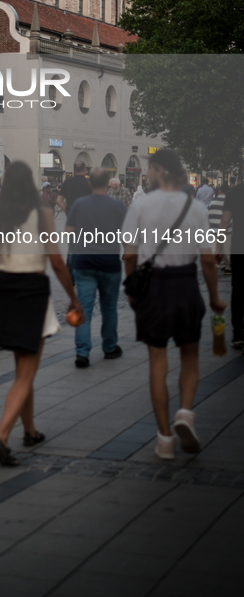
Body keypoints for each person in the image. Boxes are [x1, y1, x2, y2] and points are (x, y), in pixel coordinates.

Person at [0, 162, 84, 467]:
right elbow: (56, 262)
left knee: (22, 369)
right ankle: (2, 435)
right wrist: (73, 298)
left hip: (6, 290)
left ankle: (29, 431)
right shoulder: (42, 214)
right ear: (30, 183)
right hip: (33, 290)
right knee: (27, 373)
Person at [123, 149, 225, 460]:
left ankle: (165, 438)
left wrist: (132, 289)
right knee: (190, 356)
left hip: (153, 288)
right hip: (185, 286)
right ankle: (184, 412)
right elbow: (208, 260)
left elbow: (129, 254)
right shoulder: (195, 208)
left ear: (155, 170)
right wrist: (214, 296)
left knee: (157, 363)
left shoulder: (140, 205)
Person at [66, 168, 127, 368]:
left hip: (84, 263)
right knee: (109, 307)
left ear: (90, 183)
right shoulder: (118, 206)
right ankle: (109, 347)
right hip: (109, 263)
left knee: (84, 307)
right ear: (109, 183)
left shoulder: (79, 204)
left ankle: (82, 352)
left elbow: (68, 232)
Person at [218, 178, 244, 349]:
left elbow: (225, 222)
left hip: (239, 248)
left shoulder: (234, 192)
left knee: (238, 291)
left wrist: (219, 247)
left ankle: (238, 335)